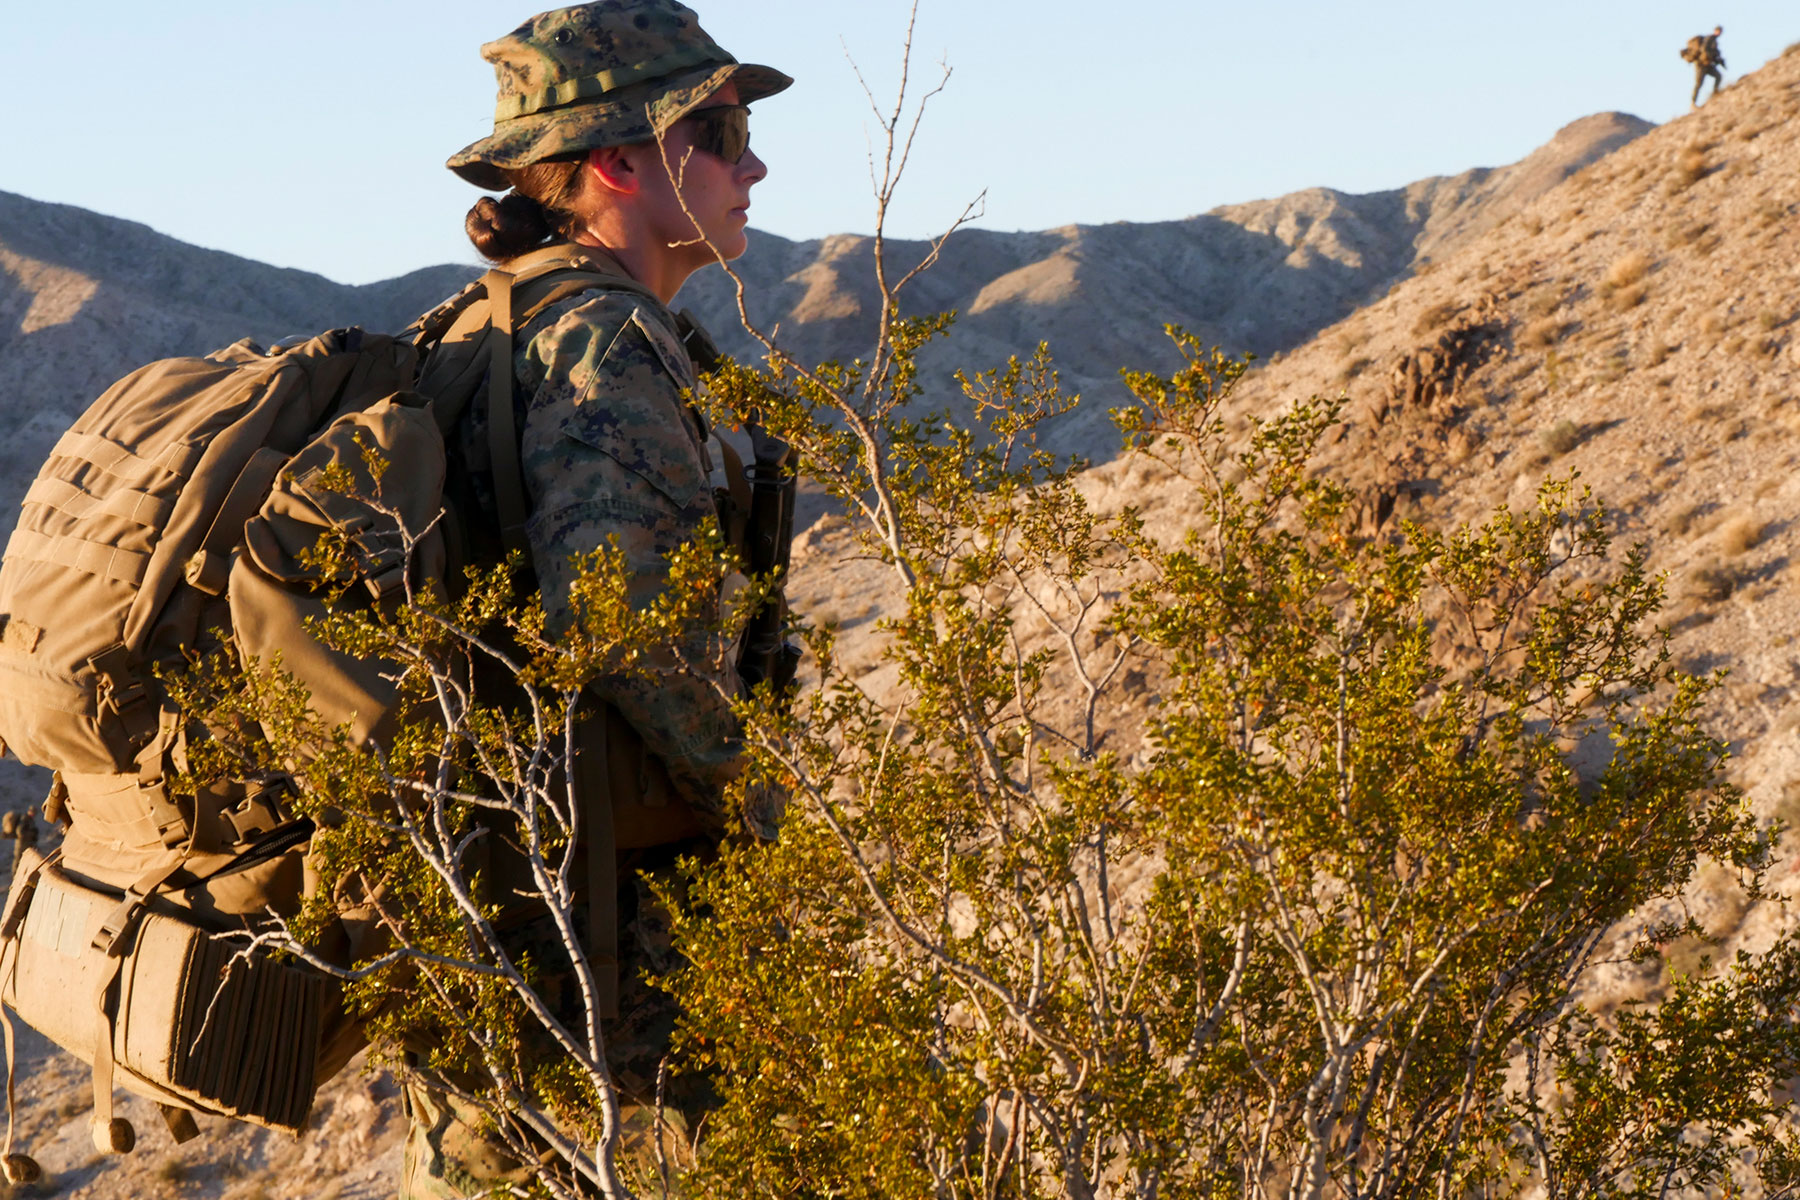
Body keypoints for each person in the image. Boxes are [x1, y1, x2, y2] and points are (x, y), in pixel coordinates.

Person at [402, 2, 790, 1195]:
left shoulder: (475, 324)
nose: (754, 162)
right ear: (619, 160)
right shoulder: (597, 341)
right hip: (611, 946)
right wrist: (769, 809)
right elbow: (630, 635)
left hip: (493, 903)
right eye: (719, 132)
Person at [1689, 24, 1726, 106]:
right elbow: (1704, 49)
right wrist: (1710, 56)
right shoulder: (1709, 38)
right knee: (1699, 84)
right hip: (1701, 65)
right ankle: (1693, 103)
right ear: (1715, 31)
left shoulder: (1715, 42)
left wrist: (1719, 60)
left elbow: (1715, 54)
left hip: (1709, 65)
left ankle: (1715, 94)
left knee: (1718, 76)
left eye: (1720, 31)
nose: (1719, 33)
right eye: (1718, 31)